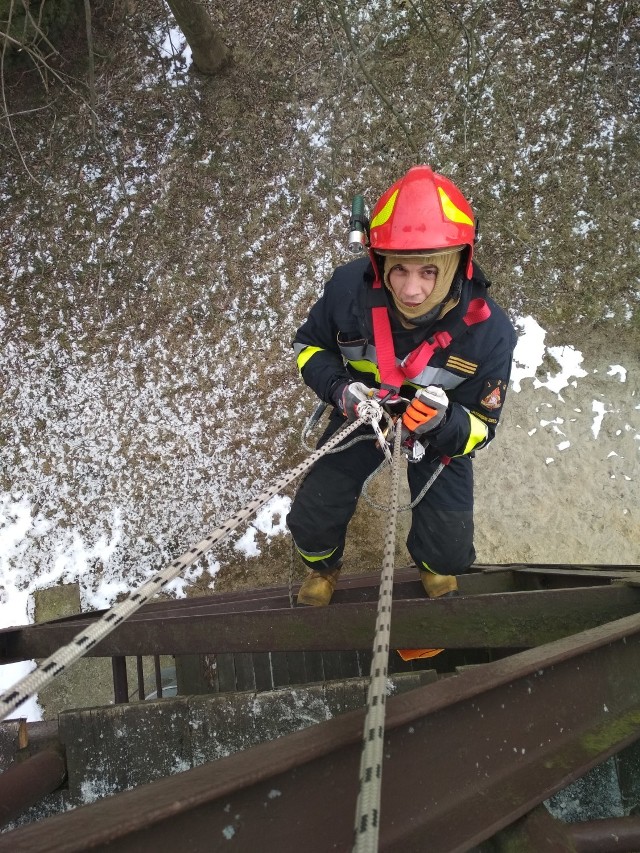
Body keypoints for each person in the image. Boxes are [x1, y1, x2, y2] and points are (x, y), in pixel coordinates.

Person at [286, 165, 517, 606]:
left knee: (450, 548)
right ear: (380, 263)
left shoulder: (490, 333)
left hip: (435, 431)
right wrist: (341, 391)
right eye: (400, 271)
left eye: (430, 271)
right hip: (364, 414)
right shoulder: (346, 292)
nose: (412, 289)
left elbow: (482, 427)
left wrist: (442, 423)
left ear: (457, 263)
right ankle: (323, 567)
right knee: (312, 517)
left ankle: (433, 567)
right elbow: (308, 348)